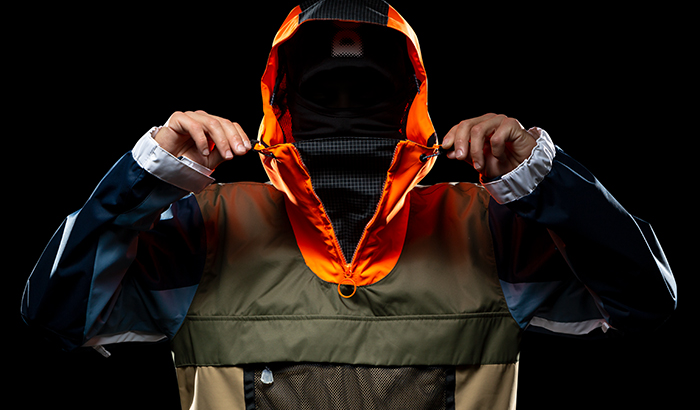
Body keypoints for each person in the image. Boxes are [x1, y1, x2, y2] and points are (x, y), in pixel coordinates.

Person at [21, 1, 677, 409]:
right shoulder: (209, 225)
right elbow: (56, 315)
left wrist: (545, 178)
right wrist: (146, 176)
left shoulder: (486, 226)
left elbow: (646, 301)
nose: (343, 113)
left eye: (366, 93)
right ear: (283, 106)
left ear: (407, 105)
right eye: (323, 94)